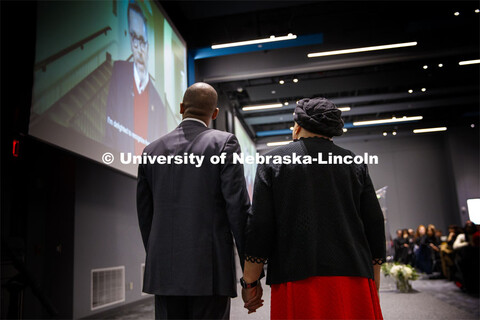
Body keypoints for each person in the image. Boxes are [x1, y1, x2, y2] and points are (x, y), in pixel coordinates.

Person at [241, 97, 386, 319]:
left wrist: (250, 282)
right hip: (353, 274)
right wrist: (374, 275)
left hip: (297, 277)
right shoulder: (354, 163)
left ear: (298, 127)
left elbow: (260, 225)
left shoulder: (273, 162)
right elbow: (374, 222)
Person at [136, 82, 251, 319]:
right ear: (215, 113)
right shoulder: (224, 143)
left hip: (164, 272)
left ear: (181, 107)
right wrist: (250, 272)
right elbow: (237, 208)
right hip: (209, 271)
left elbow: (145, 213)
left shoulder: (151, 150)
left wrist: (159, 255)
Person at [105, 2, 166, 155]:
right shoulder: (118, 73)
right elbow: (109, 134)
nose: (138, 47)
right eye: (133, 37)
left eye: (141, 39)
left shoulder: (158, 105)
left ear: (148, 44)